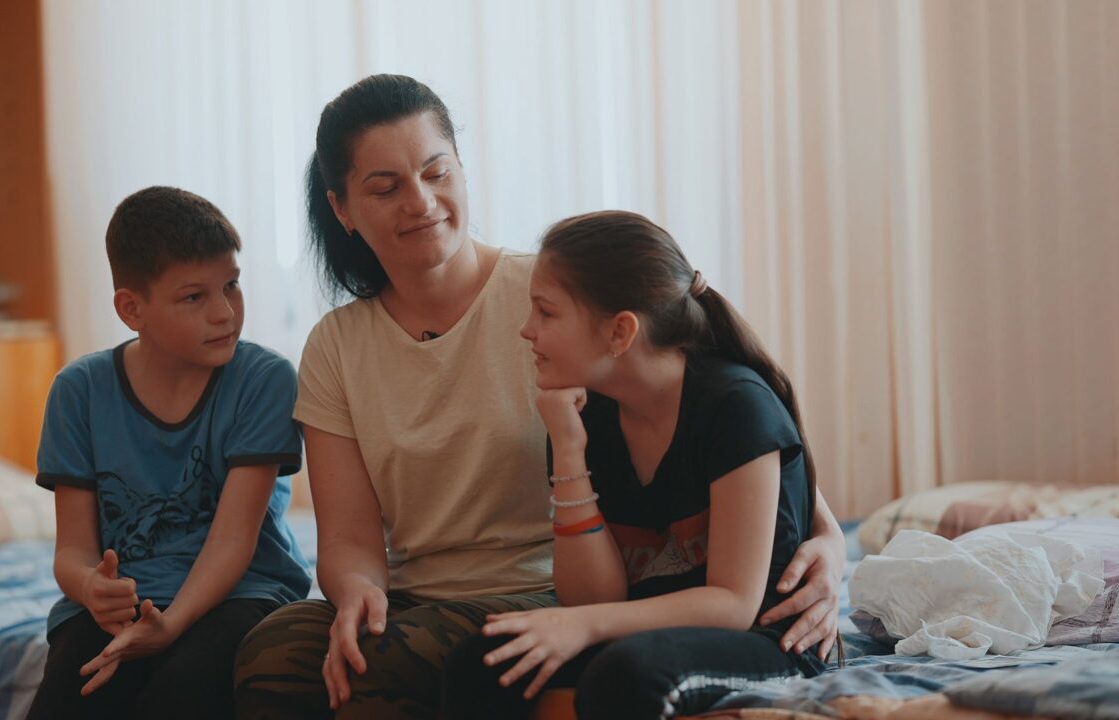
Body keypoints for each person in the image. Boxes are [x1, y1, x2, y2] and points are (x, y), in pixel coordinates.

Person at [234, 75, 845, 720]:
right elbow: (351, 535)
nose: (420, 202)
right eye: (385, 188)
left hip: (547, 591)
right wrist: (357, 593)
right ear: (343, 208)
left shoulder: (564, 301)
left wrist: (829, 546)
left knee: (381, 672)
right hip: (417, 598)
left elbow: (745, 440)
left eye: (437, 172)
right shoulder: (336, 345)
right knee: (272, 656)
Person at [440, 210, 834, 719]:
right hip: (645, 628)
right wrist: (567, 448)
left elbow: (733, 603)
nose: (526, 330)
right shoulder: (590, 416)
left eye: (546, 312)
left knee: (625, 674)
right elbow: (594, 595)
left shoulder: (735, 407)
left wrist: (587, 627)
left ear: (619, 332)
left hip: (762, 636)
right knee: (482, 660)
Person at [27, 186, 311, 719]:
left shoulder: (263, 380)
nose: (225, 312)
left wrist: (170, 627)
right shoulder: (79, 390)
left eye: (232, 286)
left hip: (241, 590)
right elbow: (72, 551)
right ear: (132, 309)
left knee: (186, 687)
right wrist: (91, 587)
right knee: (73, 691)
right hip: (120, 606)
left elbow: (232, 541)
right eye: (194, 297)